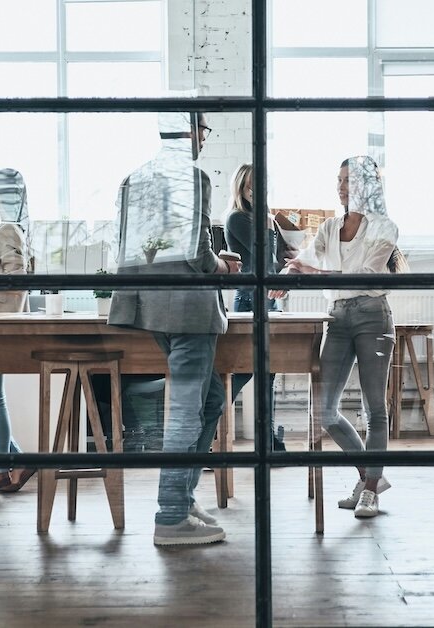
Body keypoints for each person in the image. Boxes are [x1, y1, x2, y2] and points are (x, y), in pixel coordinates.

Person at [108, 112, 241, 546]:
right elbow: (198, 254)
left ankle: (182, 499)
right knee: (186, 408)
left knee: (212, 399)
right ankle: (170, 517)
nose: (204, 139)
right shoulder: (193, 178)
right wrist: (225, 266)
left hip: (149, 306)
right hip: (187, 308)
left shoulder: (133, 179)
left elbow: (132, 248)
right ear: (191, 132)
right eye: (204, 131)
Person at [273, 156, 405, 518]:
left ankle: (371, 492)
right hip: (336, 317)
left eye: (349, 180)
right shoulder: (330, 227)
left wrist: (311, 272)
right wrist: (287, 275)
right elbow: (304, 259)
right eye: (339, 180)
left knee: (374, 409)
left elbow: (365, 274)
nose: (341, 187)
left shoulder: (384, 227)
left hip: (373, 316)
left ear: (368, 186)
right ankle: (369, 477)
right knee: (325, 411)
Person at [223, 163, 297, 452]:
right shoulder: (237, 219)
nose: (258, 190)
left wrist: (293, 260)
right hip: (249, 300)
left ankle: (268, 441)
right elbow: (263, 262)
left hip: (269, 301)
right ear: (242, 188)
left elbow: (277, 262)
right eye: (252, 185)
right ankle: (211, 431)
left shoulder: (265, 219)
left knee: (269, 372)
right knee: (242, 372)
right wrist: (268, 229)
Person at [0, 168, 36, 493]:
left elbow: (17, 278)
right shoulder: (10, 229)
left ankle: (0, 471)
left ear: (5, 192)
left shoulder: (9, 230)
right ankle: (18, 461)